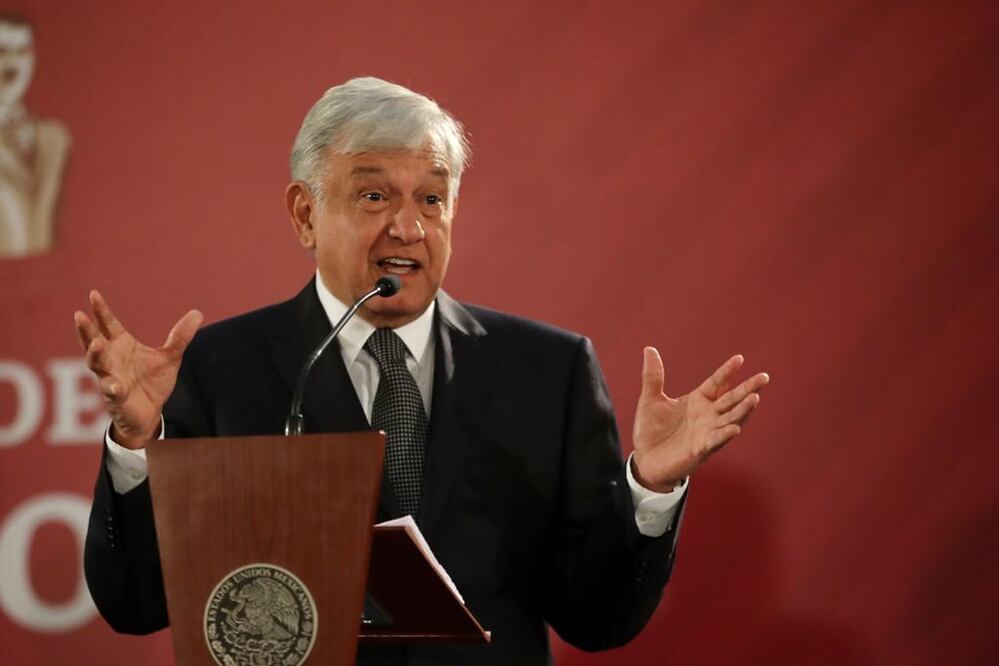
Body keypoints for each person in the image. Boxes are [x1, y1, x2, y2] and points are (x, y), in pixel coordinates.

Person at [76, 77, 769, 665]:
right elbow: (136, 606)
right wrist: (137, 450)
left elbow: (596, 621)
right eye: (374, 197)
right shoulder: (219, 369)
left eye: (431, 199)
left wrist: (648, 486)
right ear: (304, 214)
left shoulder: (547, 371)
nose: (408, 228)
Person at [0, 12, 71, 258]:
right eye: (2, 51)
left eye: (22, 52)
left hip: (48, 285)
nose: (12, 65)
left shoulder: (54, 138)